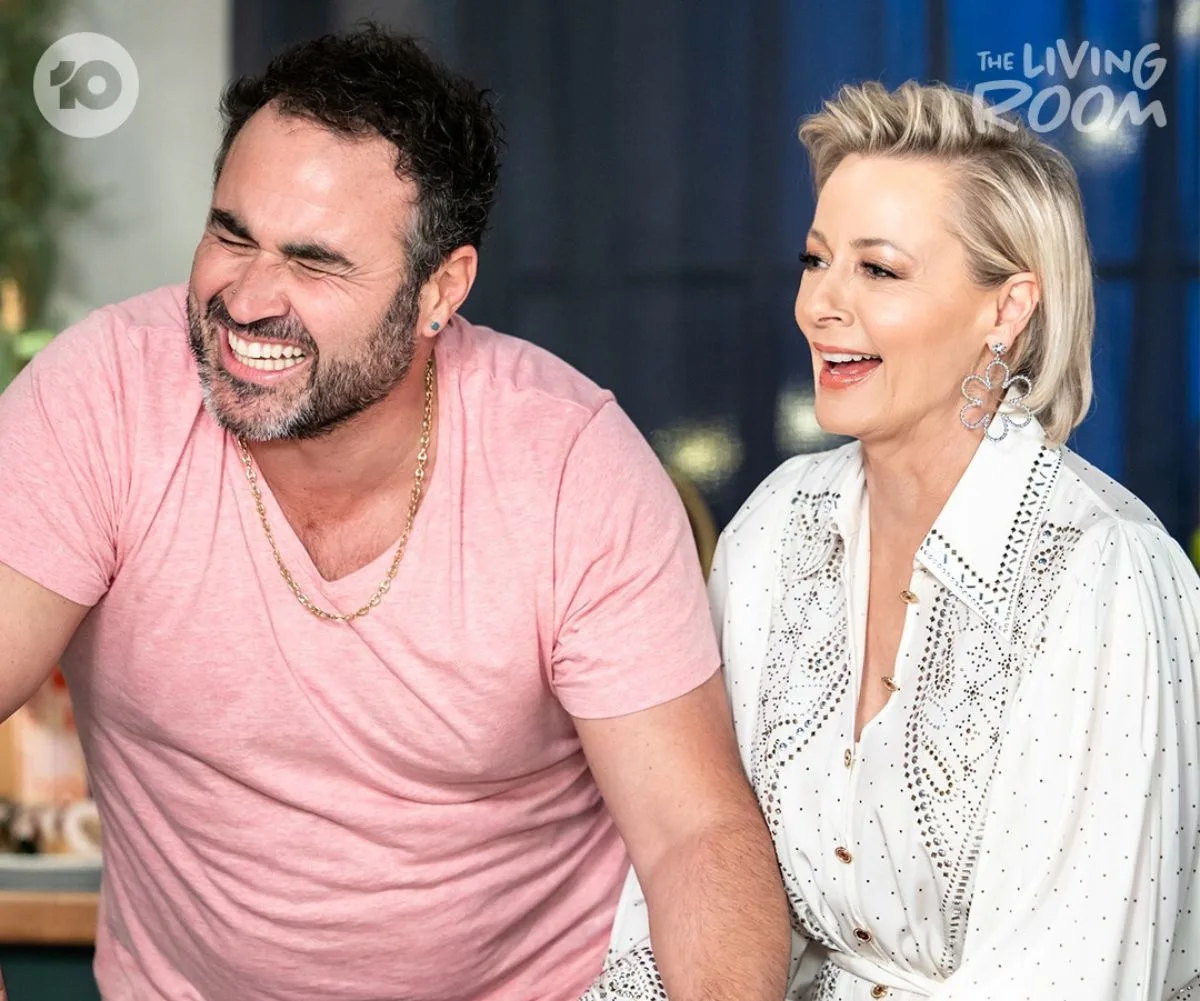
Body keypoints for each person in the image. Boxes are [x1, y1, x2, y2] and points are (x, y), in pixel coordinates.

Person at [0, 26, 790, 1001]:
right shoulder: (102, 397)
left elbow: (695, 835)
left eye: (316, 263)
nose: (247, 297)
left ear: (438, 291)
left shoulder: (569, 465)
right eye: (232, 234)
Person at [586, 81, 1200, 1000]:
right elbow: (690, 880)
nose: (819, 305)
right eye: (815, 259)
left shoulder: (1099, 574)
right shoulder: (775, 528)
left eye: (878, 270)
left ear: (1007, 310)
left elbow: (1066, 974)